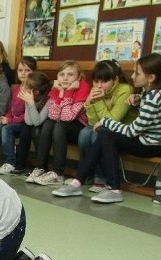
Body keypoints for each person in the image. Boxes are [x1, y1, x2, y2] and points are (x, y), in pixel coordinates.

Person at [52, 53, 161, 204]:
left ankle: (105, 186)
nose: (133, 76)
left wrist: (106, 122)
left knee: (106, 134)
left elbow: (132, 131)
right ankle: (80, 182)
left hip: (152, 144)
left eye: (137, 73)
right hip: (145, 139)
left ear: (151, 78)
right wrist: (138, 100)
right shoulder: (149, 93)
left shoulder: (153, 97)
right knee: (102, 134)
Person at [75, 60, 137, 191]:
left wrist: (98, 101)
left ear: (115, 79)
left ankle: (101, 178)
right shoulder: (96, 90)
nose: (99, 85)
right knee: (84, 133)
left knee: (97, 135)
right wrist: (89, 102)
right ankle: (86, 175)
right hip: (102, 126)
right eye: (96, 81)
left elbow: (112, 121)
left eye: (104, 81)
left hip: (122, 130)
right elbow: (92, 122)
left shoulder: (125, 90)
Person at [27, 60, 90, 185]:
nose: (65, 78)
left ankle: (58, 174)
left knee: (59, 126)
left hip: (80, 127)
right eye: (62, 74)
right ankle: (41, 168)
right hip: (63, 124)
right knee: (49, 123)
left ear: (78, 76)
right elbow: (53, 115)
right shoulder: (57, 89)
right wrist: (61, 92)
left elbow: (68, 117)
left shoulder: (83, 87)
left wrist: (68, 92)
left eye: (70, 74)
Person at [0, 71, 51, 175]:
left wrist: (30, 103)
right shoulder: (29, 97)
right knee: (26, 129)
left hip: (44, 125)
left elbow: (37, 122)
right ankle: (20, 164)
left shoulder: (48, 100)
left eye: (25, 86)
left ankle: (41, 167)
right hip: (32, 123)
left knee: (36, 131)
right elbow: (28, 121)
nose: (22, 88)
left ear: (36, 92)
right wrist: (29, 103)